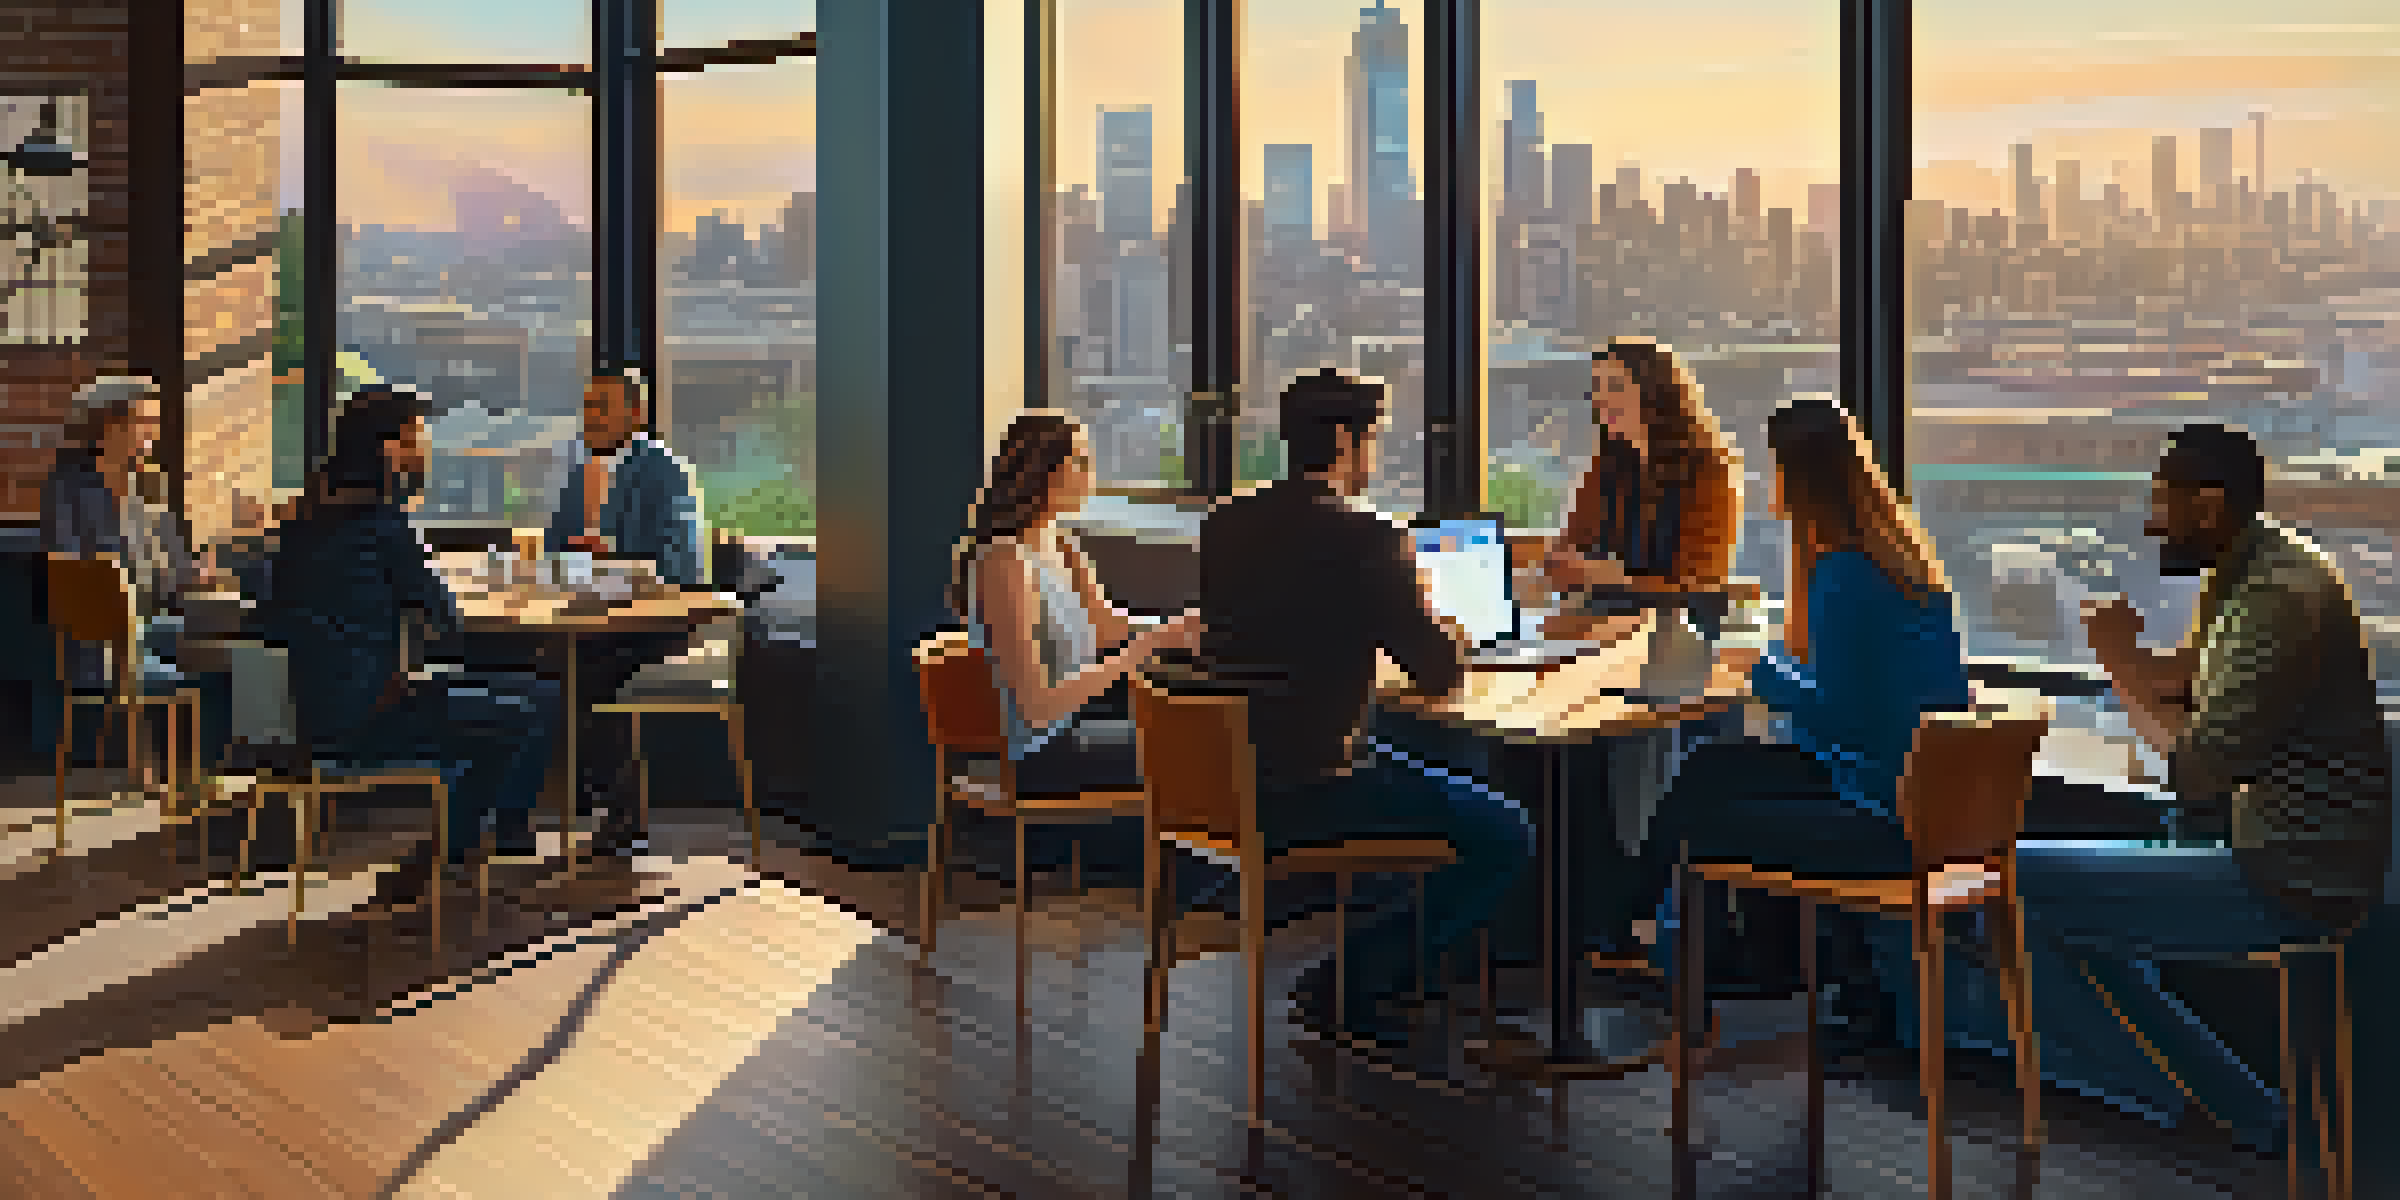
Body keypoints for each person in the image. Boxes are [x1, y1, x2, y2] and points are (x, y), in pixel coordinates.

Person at [1997, 423, 2393, 1151]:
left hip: (2288, 873)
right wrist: (2128, 655)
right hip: (2267, 845)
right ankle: (2212, 1105)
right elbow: (2178, 686)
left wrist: (2116, 662)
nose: (2151, 525)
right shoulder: (2245, 574)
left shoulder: (2275, 598)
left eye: (2162, 504)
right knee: (2065, 914)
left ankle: (2194, 1110)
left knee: (2011, 884)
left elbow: (2196, 772)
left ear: (2208, 506)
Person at [1199, 367, 1534, 1050]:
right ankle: (1353, 981)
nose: (1375, 456)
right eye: (1374, 439)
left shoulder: (1225, 524)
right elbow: (1437, 673)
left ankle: (1395, 975)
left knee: (1416, 764)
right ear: (1348, 441)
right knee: (1507, 830)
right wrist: (1444, 628)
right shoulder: (1368, 535)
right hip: (1316, 783)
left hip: (1228, 779)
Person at [1627, 395, 1973, 1046]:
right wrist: (1779, 671)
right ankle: (1642, 928)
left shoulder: (1845, 575)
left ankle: (1686, 968)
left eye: (1774, 466)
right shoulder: (1899, 561)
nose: (1767, 480)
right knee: (1711, 767)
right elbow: (1861, 698)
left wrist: (1756, 672)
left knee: (1699, 822)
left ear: (1799, 478)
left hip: (1883, 817)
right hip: (1915, 797)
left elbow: (1836, 712)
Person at [258, 384, 563, 908]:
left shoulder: (303, 522)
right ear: (388, 449)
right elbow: (442, 621)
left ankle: (466, 846)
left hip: (303, 718)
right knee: (532, 705)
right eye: (416, 437)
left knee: (519, 703)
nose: (424, 449)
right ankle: (463, 851)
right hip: (364, 724)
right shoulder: (382, 526)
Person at [953, 410, 1203, 885]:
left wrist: (1179, 629)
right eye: (1081, 461)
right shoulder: (1003, 564)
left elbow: (1107, 628)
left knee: (1196, 727)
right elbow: (1037, 707)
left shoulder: (1059, 542)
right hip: (1043, 753)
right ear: (1044, 472)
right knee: (1189, 745)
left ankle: (1213, 890)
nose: (1091, 473)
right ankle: (1209, 893)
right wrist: (1139, 652)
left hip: (1078, 725)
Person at [544, 367, 706, 858]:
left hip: (658, 626)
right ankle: (546, 810)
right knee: (545, 665)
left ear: (635, 415)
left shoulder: (662, 469)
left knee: (589, 672)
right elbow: (556, 549)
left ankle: (621, 817)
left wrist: (610, 553)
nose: (589, 417)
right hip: (597, 619)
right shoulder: (581, 471)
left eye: (601, 407)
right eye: (587, 406)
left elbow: (681, 562)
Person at [40, 374, 225, 778]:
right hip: (99, 635)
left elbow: (171, 572)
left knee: (231, 653)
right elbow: (72, 567)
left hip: (149, 622)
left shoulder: (150, 485)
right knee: (202, 670)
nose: (152, 436)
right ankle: (186, 781)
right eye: (143, 424)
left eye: (155, 425)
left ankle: (205, 780)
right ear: (108, 426)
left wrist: (197, 572)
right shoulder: (68, 487)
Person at [1539, 338, 1744, 635]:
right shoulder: (1604, 465)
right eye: (1598, 388)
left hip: (1679, 633)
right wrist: (1570, 567)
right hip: (1605, 627)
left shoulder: (1709, 472)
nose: (1602, 400)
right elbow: (1565, 554)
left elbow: (1699, 582)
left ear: (1655, 393)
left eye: (1616, 387)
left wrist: (1615, 577)